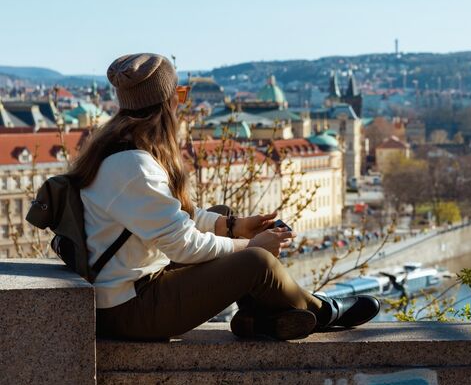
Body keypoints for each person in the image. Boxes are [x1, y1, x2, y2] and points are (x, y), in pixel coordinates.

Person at [72, 53, 379, 341]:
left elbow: (177, 216)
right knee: (256, 261)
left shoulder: (118, 150)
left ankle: (257, 318)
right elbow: (183, 245)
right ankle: (320, 311)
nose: (181, 105)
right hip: (130, 309)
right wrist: (250, 245)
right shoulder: (135, 166)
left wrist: (233, 226)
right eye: (180, 95)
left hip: (125, 292)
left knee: (222, 213)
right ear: (168, 102)